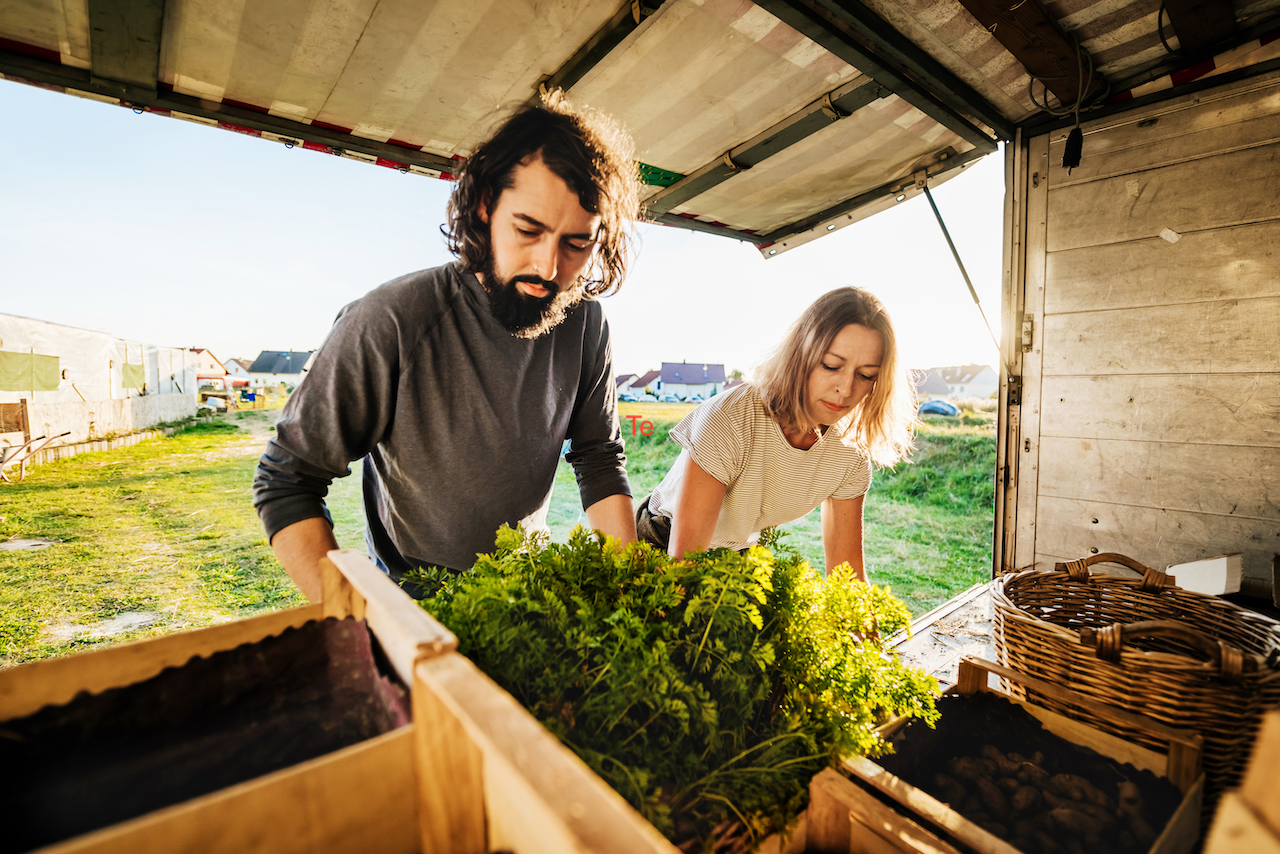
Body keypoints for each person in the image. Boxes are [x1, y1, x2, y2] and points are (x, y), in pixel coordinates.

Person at [253, 93, 641, 601]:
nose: (548, 269)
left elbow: (599, 459)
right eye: (528, 229)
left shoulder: (585, 323)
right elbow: (287, 481)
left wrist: (629, 589)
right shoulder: (390, 319)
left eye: (576, 244)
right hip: (416, 600)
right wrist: (371, 622)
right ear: (485, 206)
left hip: (527, 592)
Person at [635, 288, 915, 581]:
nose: (845, 389)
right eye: (831, 365)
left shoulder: (850, 453)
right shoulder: (730, 420)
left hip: (738, 554)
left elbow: (847, 576)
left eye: (865, 375)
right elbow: (683, 565)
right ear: (801, 354)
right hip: (661, 545)